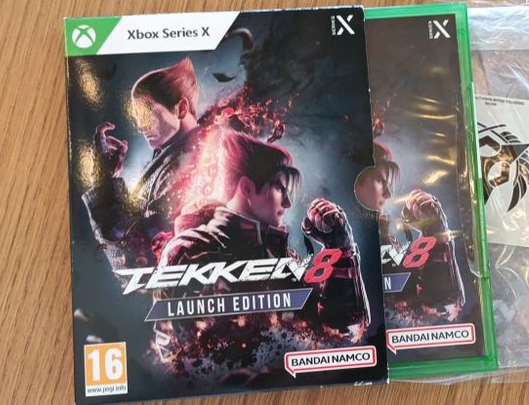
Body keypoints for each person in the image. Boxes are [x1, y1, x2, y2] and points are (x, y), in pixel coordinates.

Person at [154, 132, 370, 369]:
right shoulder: (190, 252)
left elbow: (342, 337)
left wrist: (341, 253)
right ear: (247, 187)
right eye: (279, 188)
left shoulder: (287, 261)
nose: (287, 203)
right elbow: (175, 363)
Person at [83, 57, 209, 270]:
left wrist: (103, 179)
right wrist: (107, 178)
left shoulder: (192, 162)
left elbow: (135, 254)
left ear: (180, 108)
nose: (141, 126)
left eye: (147, 113)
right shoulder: (173, 153)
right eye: (137, 117)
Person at [355, 142, 466, 320]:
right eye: (381, 181)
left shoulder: (389, 243)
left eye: (388, 183)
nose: (388, 194)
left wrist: (436, 239)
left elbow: (443, 309)